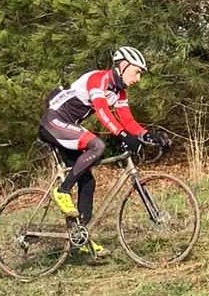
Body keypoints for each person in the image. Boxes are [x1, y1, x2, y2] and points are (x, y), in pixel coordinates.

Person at [38, 45, 160, 247]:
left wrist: (149, 136)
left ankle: (80, 239)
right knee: (97, 146)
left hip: (67, 128)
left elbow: (128, 121)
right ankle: (62, 191)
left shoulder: (120, 93)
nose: (138, 78)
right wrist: (123, 135)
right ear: (123, 66)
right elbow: (103, 111)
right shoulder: (99, 79)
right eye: (137, 72)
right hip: (53, 123)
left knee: (88, 182)